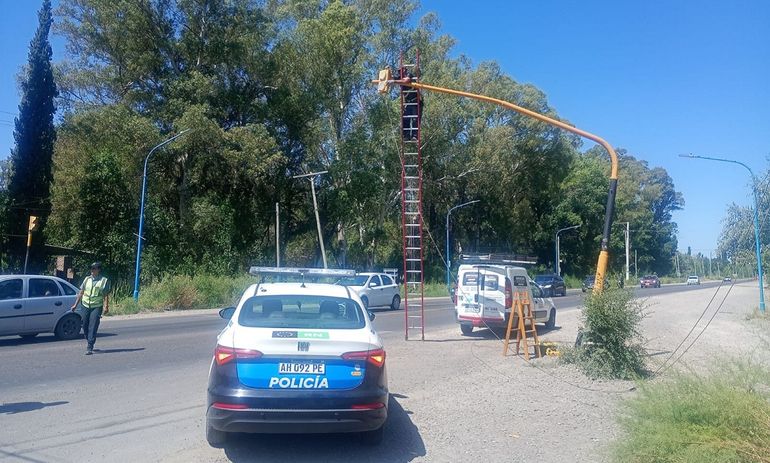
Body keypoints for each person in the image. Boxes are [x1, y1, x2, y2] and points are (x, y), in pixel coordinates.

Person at [71, 262, 110, 355]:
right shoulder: (87, 279)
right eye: (91, 268)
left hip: (96, 306)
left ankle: (90, 346)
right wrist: (75, 305)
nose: (92, 270)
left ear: (98, 270)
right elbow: (81, 292)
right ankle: (89, 338)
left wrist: (106, 306)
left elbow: (105, 295)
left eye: (94, 268)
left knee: (93, 325)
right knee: (84, 324)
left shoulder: (104, 281)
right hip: (85, 305)